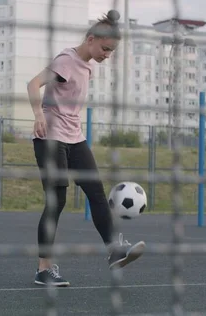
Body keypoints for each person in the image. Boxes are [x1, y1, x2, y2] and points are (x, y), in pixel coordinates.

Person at [25, 10, 145, 287]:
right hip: (50, 138)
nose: (107, 55)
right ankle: (43, 269)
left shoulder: (88, 65)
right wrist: (39, 115)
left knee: (97, 192)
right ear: (90, 39)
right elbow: (33, 84)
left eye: (111, 51)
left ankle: (115, 249)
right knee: (58, 202)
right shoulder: (67, 60)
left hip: (74, 138)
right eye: (104, 49)